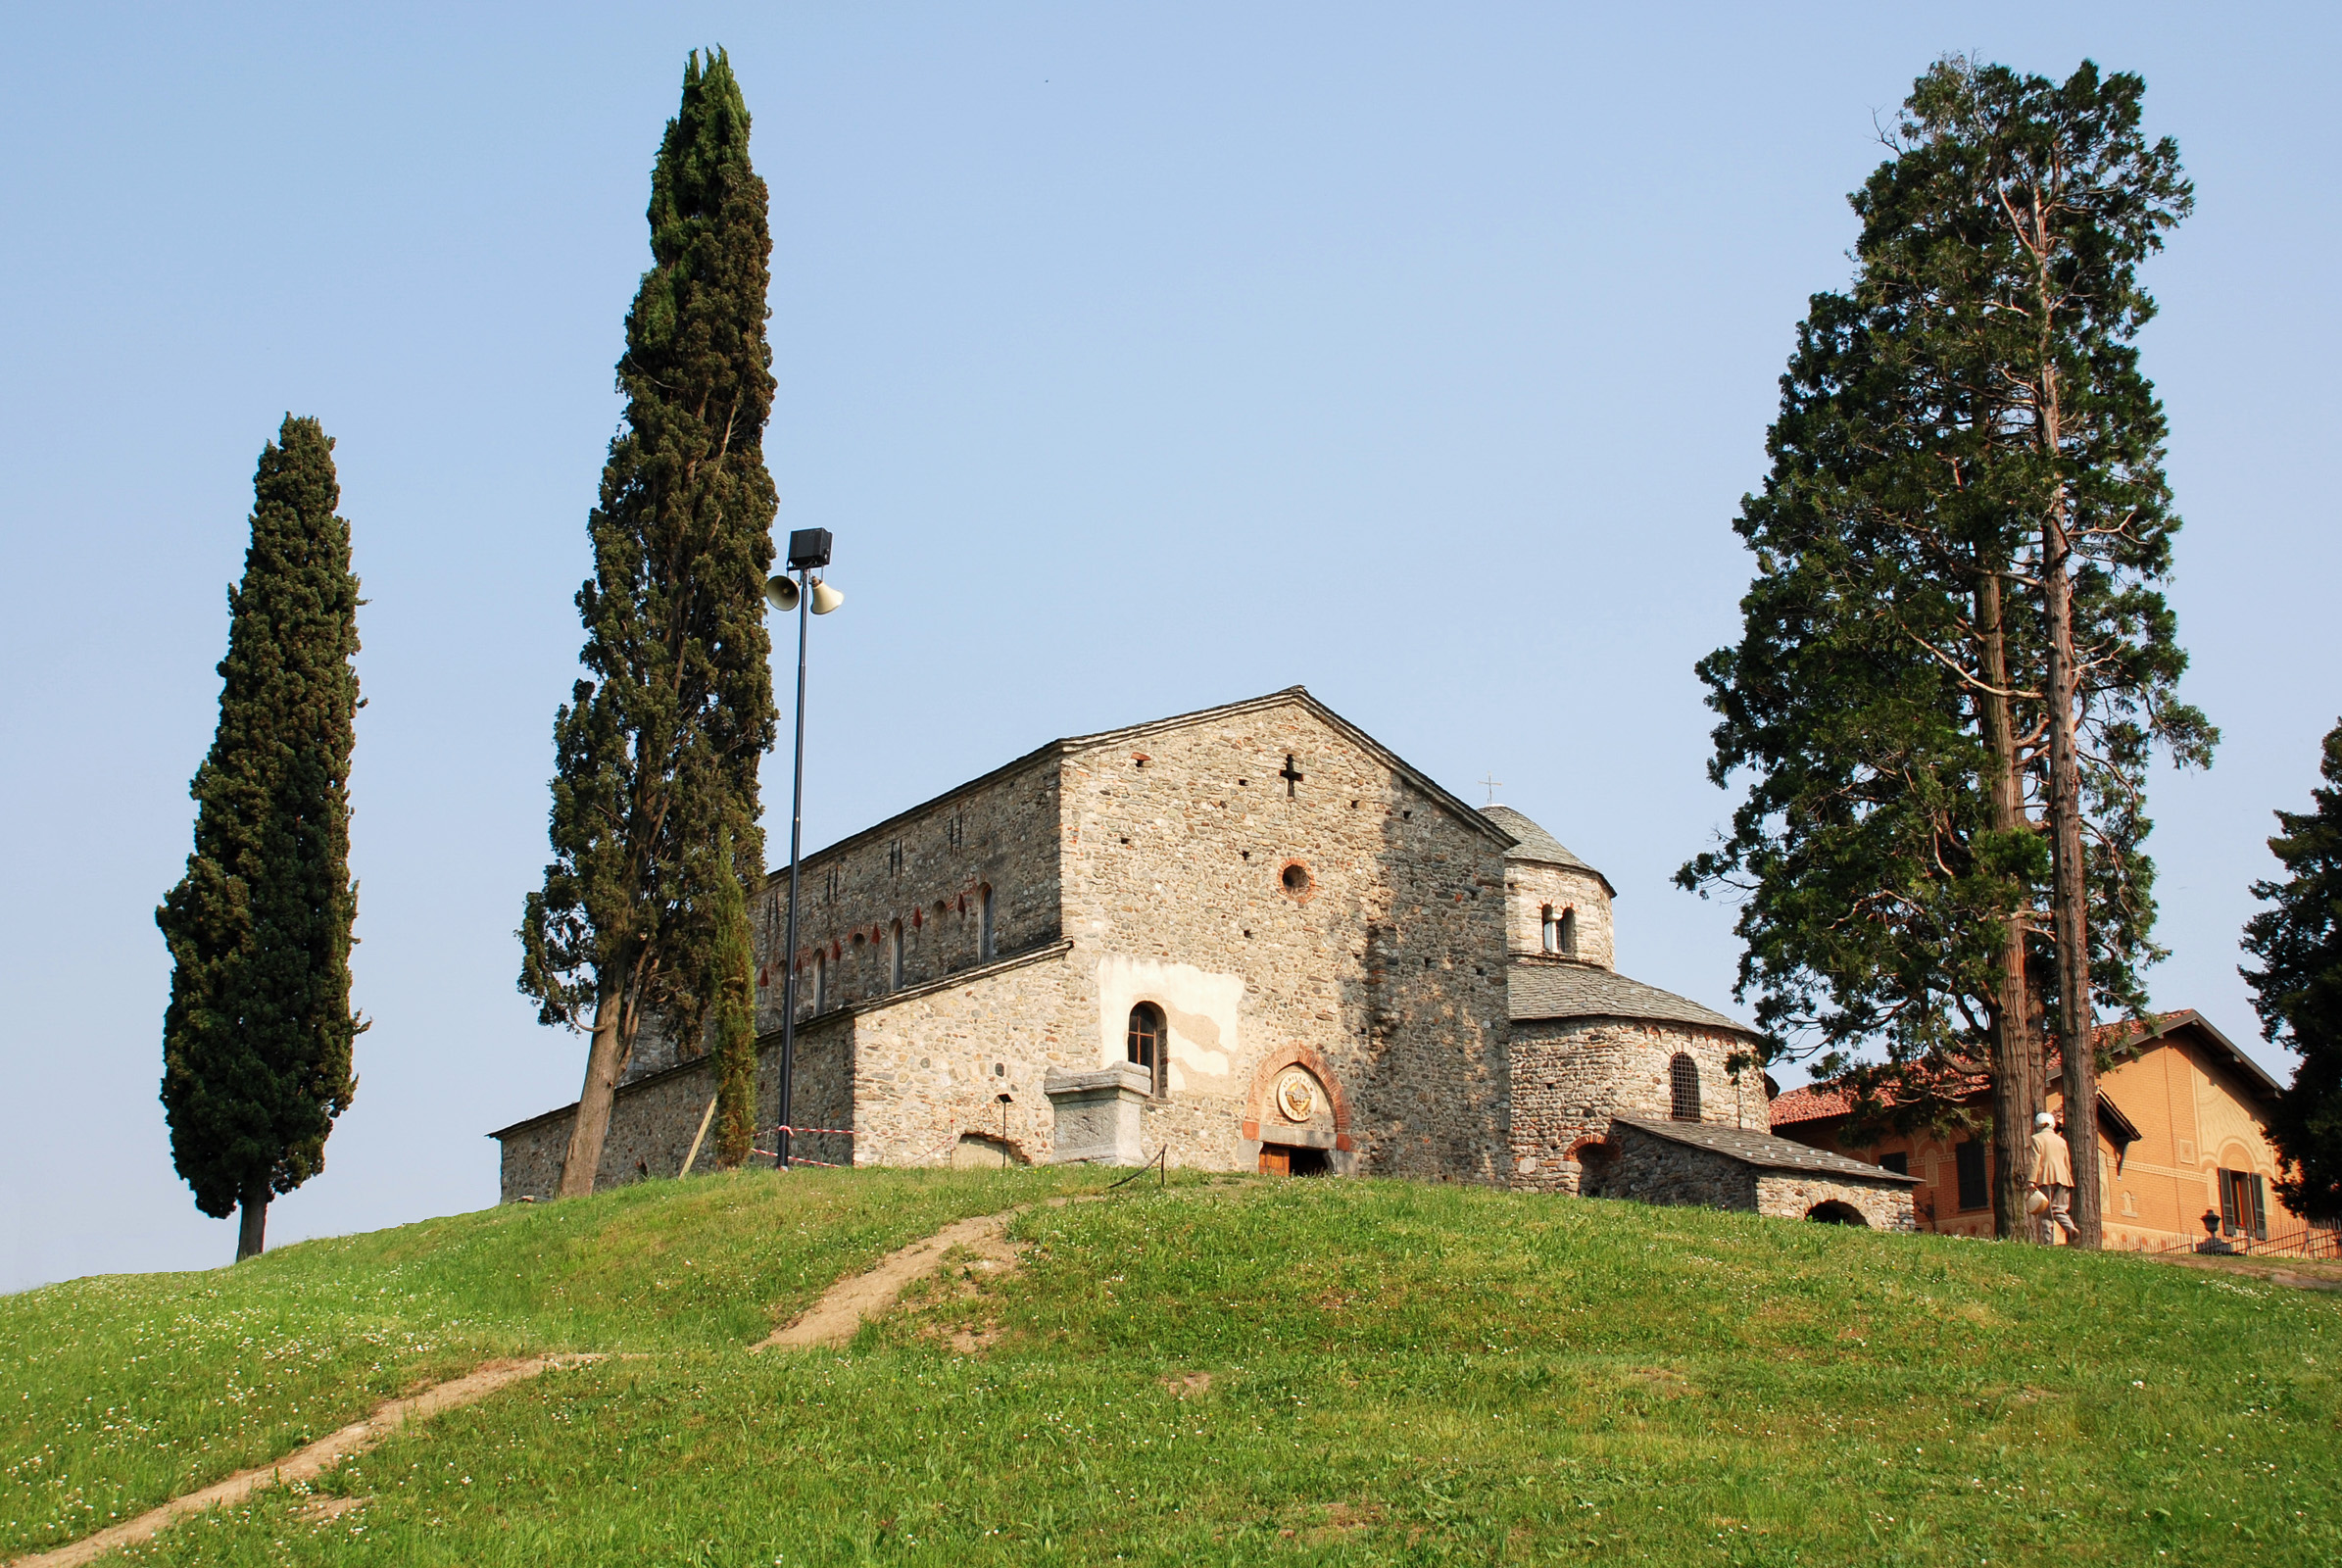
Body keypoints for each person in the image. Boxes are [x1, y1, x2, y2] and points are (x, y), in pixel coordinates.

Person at [2029, 1110, 2079, 1244]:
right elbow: (2066, 1162)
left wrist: (2031, 1181)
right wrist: (2068, 1178)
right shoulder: (2061, 1141)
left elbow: (2035, 1160)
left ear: (2038, 1125)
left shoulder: (2036, 1139)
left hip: (2045, 1178)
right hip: (2064, 1178)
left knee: (2046, 1213)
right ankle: (2070, 1228)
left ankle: (2047, 1242)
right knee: (2060, 1209)